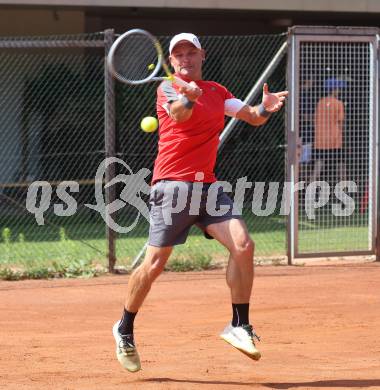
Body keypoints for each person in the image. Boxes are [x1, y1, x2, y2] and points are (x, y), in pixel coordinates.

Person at [112, 32, 288, 372]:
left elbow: (250, 115)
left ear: (201, 55)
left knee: (244, 245)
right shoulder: (167, 88)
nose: (184, 59)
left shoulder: (217, 91)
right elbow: (178, 114)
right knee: (153, 266)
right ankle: (124, 326)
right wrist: (188, 98)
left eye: (190, 53)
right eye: (178, 54)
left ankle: (239, 324)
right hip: (171, 188)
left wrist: (264, 109)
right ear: (172, 61)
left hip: (207, 188)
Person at [311, 78, 346, 188]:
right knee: (341, 168)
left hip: (320, 141)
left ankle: (309, 194)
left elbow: (315, 120)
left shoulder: (320, 102)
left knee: (317, 167)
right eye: (338, 88)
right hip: (335, 141)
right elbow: (341, 122)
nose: (339, 90)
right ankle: (344, 193)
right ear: (334, 89)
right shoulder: (339, 103)